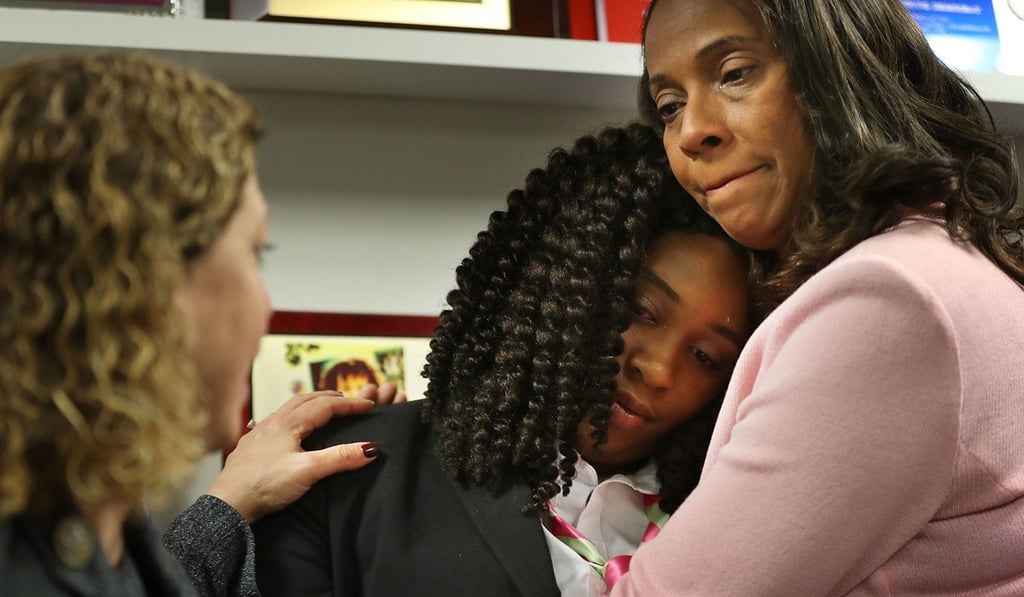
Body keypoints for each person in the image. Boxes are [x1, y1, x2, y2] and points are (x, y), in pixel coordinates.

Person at [608, 0, 1024, 595]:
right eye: (669, 107)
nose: (693, 131)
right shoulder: (936, 264)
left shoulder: (887, 300)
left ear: (842, 65)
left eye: (734, 73)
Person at [252, 122, 758, 596]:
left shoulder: (739, 523)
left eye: (704, 355)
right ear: (563, 284)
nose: (660, 369)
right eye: (639, 311)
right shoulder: (349, 473)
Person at [0, 51, 393, 596]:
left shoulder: (100, 523)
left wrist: (231, 503)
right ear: (148, 281)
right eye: (256, 253)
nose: (265, 306)